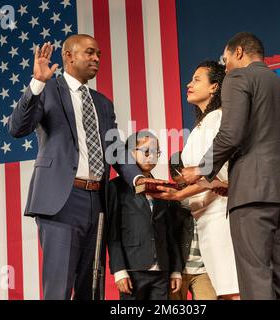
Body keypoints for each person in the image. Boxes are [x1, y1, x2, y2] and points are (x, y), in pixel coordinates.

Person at [8, 35, 158, 300]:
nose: (96, 59)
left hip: (97, 202)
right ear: (68, 56)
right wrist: (37, 83)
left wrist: (137, 179)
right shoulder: (48, 90)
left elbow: (116, 149)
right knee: (59, 289)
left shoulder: (102, 103)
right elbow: (17, 127)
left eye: (99, 54)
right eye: (89, 52)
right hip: (62, 201)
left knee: (92, 288)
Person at [182, 32, 280, 300]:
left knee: (255, 276)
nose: (225, 68)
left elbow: (231, 134)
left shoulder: (239, 77)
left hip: (252, 195)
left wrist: (201, 169)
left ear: (238, 52)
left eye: (225, 60)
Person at [153, 61, 240, 299]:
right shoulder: (203, 123)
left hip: (221, 214)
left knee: (232, 292)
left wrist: (179, 194)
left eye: (197, 79)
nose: (189, 84)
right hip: (206, 217)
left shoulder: (216, 118)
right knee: (226, 292)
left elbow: (221, 179)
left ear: (214, 87)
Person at [107, 131, 182, 300]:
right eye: (146, 151)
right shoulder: (116, 188)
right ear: (130, 153)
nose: (151, 156)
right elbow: (112, 233)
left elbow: (170, 233)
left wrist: (175, 269)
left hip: (162, 270)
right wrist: (119, 271)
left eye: (156, 152)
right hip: (133, 270)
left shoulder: (162, 187)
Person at [168, 152, 217, 300]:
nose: (184, 188)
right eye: (180, 185)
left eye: (188, 183)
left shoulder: (213, 191)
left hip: (204, 269)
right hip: (177, 270)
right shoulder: (170, 200)